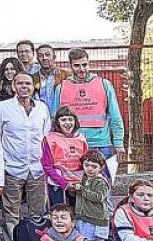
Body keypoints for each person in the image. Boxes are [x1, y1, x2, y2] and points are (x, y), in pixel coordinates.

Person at [0, 71, 51, 241]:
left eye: (27, 83)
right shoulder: (3, 108)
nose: (24, 87)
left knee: (38, 211)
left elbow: (46, 137)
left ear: (33, 86)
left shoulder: (42, 108)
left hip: (36, 168)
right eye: (20, 83)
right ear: (13, 86)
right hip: (12, 166)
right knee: (11, 212)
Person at [53, 48, 126, 176]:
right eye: (76, 65)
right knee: (76, 188)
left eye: (84, 65)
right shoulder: (61, 88)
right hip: (73, 145)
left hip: (101, 144)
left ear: (89, 64)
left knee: (102, 187)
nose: (81, 69)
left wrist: (119, 143)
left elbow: (115, 116)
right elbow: (55, 118)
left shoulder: (104, 84)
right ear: (70, 66)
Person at [43, 106, 90, 206]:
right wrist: (64, 183)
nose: (67, 123)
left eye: (70, 119)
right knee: (60, 212)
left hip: (77, 183)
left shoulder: (81, 138)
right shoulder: (50, 139)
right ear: (57, 122)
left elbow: (86, 162)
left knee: (77, 213)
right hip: (58, 182)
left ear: (75, 121)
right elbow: (47, 166)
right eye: (63, 120)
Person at [74, 150, 111, 241]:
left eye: (93, 166)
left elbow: (98, 197)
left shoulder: (101, 181)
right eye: (87, 165)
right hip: (84, 217)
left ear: (100, 167)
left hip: (96, 220)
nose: (89, 169)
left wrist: (81, 189)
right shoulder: (84, 178)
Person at [35, 44, 72, 113]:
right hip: (40, 116)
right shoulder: (33, 78)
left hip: (60, 117)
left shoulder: (66, 76)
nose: (44, 58)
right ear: (37, 59)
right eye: (40, 55)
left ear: (54, 57)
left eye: (47, 54)